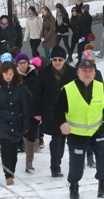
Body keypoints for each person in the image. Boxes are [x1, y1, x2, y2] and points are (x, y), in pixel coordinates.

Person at [53, 58, 104, 199]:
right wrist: (62, 123)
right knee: (77, 162)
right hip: (76, 134)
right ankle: (74, 187)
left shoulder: (100, 87)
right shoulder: (67, 89)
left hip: (97, 131)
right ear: (78, 73)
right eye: (84, 71)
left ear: (95, 73)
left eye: (90, 71)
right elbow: (56, 110)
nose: (87, 73)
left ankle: (103, 187)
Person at [32, 46, 77, 178]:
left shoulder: (72, 72)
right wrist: (36, 111)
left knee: (66, 138)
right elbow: (37, 93)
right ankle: (55, 166)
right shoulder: (44, 72)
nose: (57, 62)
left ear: (65, 60)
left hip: (68, 111)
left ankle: (72, 161)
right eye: (55, 59)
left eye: (60, 59)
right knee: (57, 138)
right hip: (50, 111)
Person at [0, 62, 30, 186]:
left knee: (14, 150)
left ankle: (12, 170)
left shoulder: (19, 87)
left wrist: (26, 124)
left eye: (10, 74)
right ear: (1, 74)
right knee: (6, 147)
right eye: (6, 74)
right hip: (0, 121)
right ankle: (8, 175)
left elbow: (24, 107)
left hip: (15, 120)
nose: (8, 76)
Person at [15, 52, 39, 173]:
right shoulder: (15, 77)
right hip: (21, 110)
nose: (23, 65)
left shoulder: (35, 73)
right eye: (20, 63)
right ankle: (29, 153)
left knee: (32, 135)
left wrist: (40, 110)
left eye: (24, 62)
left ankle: (29, 163)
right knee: (25, 133)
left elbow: (40, 93)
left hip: (34, 109)